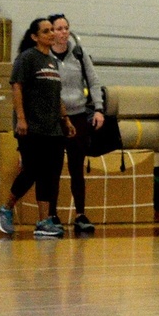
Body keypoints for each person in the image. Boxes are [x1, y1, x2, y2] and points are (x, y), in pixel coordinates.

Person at [0, 18, 76, 238]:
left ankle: (43, 221)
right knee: (32, 170)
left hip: (53, 129)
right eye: (46, 31)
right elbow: (17, 88)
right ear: (34, 36)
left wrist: (65, 119)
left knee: (50, 175)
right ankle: (6, 207)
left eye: (53, 30)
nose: (52, 34)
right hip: (32, 128)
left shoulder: (52, 61)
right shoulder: (27, 58)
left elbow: (55, 94)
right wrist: (21, 119)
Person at [48, 13, 104, 233]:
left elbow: (93, 80)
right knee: (52, 167)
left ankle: (80, 214)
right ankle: (52, 214)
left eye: (66, 28)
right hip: (54, 118)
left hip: (78, 115)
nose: (63, 32)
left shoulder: (79, 54)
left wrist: (98, 108)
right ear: (50, 32)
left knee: (76, 168)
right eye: (58, 28)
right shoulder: (45, 57)